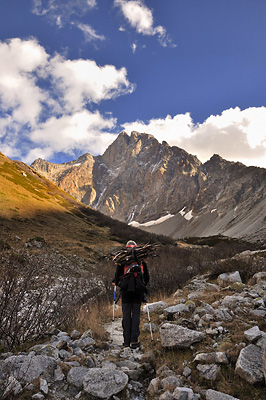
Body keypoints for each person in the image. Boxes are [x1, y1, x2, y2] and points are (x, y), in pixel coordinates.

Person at [112, 240, 150, 349]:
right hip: (138, 291)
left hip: (126, 292)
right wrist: (141, 285)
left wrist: (119, 284)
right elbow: (146, 277)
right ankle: (134, 341)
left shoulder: (123, 260)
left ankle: (126, 342)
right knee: (136, 315)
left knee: (126, 315)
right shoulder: (141, 260)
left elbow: (117, 277)